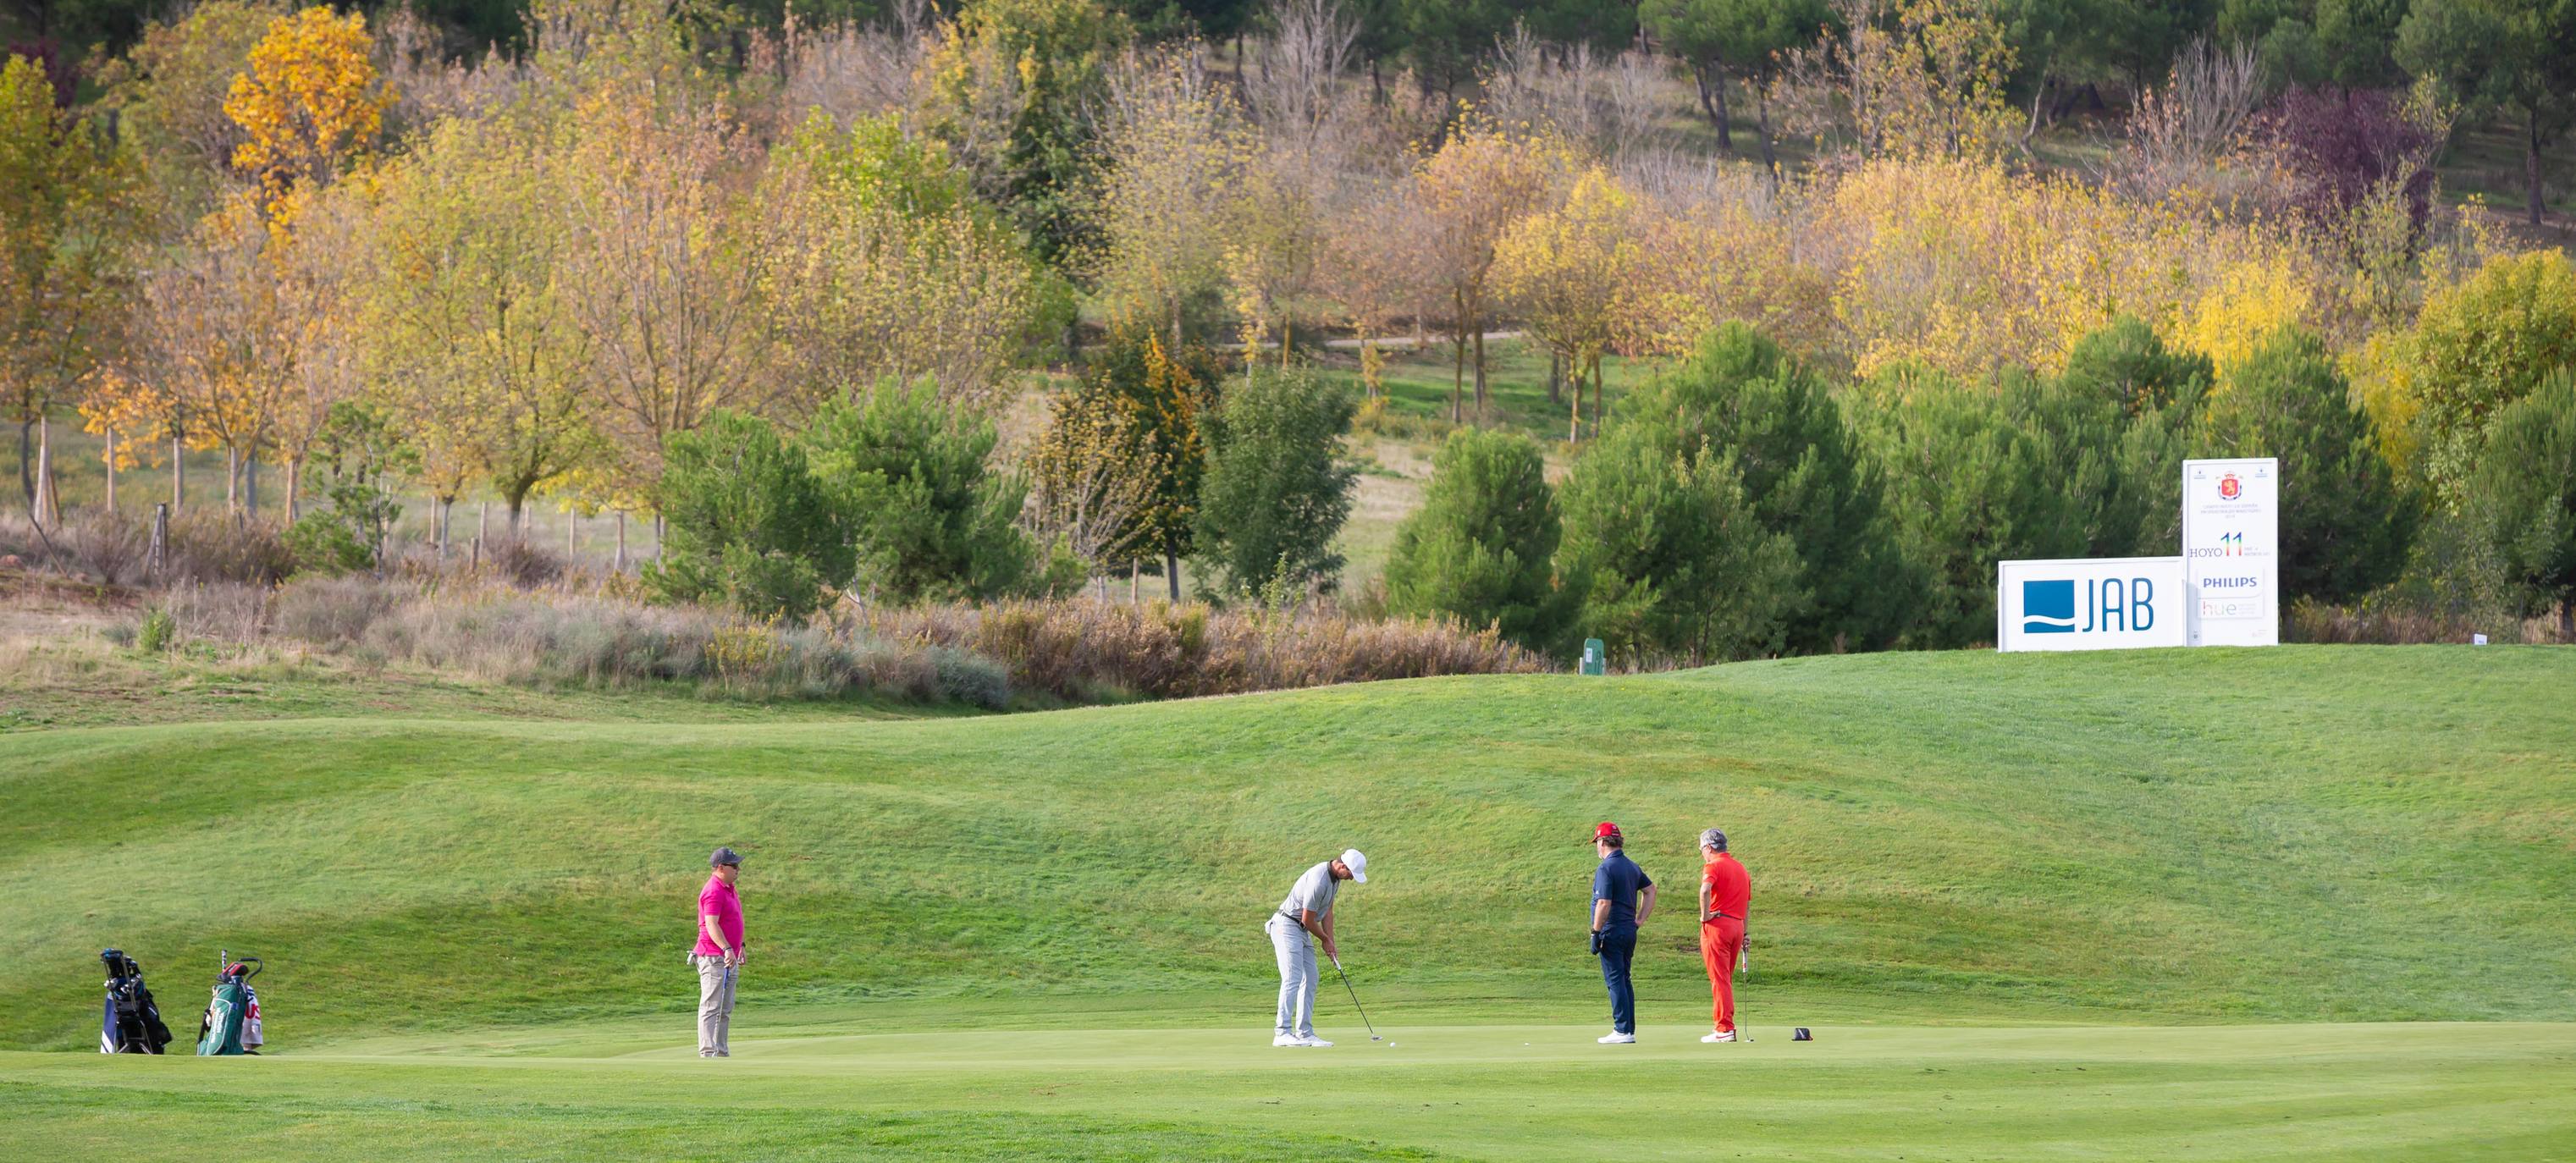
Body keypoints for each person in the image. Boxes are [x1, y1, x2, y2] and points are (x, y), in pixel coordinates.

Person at [1266, 848, 1367, 1047]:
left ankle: (1305, 1033)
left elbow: (1328, 911)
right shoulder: (1319, 879)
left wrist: (1331, 940)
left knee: (1311, 976)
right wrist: (1324, 939)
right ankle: (1282, 1032)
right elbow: (1307, 919)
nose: (1352, 879)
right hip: (1286, 925)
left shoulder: (1335, 880)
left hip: (1301, 930)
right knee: (1292, 977)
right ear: (1342, 866)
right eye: (1351, 874)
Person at [1588, 822, 1656, 1044]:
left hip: (1613, 930)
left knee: (1615, 980)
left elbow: (1604, 903)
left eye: (1597, 842)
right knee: (1625, 979)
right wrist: (1639, 920)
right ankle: (1628, 1029)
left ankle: (1622, 1030)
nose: (1597, 847)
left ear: (1603, 842)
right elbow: (1650, 890)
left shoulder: (1606, 868)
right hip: (1628, 930)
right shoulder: (1631, 866)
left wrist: (1595, 933)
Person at [692, 846, 747, 1059]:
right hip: (714, 956)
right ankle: (708, 1053)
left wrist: (740, 946)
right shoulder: (713, 890)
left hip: (728, 956)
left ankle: (721, 1053)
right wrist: (726, 948)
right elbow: (711, 924)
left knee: (725, 1008)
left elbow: (733, 920)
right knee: (711, 1006)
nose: (738, 869)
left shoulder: (729, 888)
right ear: (721, 867)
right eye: (734, 866)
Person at [1697, 827, 1750, 1044]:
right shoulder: (1741, 868)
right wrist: (1745, 932)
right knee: (1724, 980)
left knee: (1719, 980)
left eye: (1701, 849)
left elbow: (1704, 889)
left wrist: (1705, 915)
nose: (1702, 853)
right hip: (1737, 926)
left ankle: (1724, 1028)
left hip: (1718, 926)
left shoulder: (1713, 865)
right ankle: (1723, 1025)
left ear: (1709, 847)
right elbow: (1747, 903)